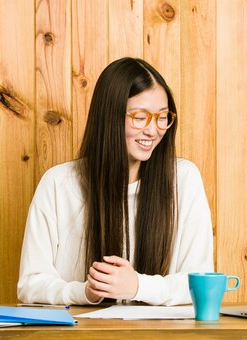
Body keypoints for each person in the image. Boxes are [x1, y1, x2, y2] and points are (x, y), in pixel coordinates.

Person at [17, 57, 213, 306]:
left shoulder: (184, 179)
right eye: (140, 117)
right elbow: (30, 284)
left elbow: (199, 282)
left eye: (162, 117)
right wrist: (85, 292)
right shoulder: (58, 184)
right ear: (109, 117)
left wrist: (138, 286)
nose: (153, 130)